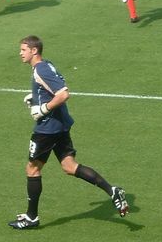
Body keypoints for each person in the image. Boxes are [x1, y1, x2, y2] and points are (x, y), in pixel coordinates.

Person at [9, 36, 129, 229]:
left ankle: (31, 218)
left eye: (23, 50)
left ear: (34, 51)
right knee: (69, 166)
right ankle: (112, 190)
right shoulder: (47, 65)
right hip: (61, 125)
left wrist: (43, 109)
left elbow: (63, 94)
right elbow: (54, 88)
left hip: (47, 129)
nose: (20, 53)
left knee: (32, 169)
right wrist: (36, 97)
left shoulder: (41, 69)